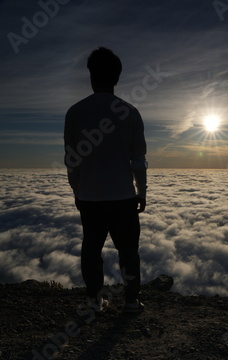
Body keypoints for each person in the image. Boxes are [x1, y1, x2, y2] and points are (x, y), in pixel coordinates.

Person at [64, 47, 147, 313]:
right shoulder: (130, 112)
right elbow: (138, 159)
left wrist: (78, 191)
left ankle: (93, 301)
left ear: (91, 75)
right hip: (123, 197)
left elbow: (72, 161)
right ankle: (132, 302)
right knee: (128, 252)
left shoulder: (75, 113)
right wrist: (141, 191)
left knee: (91, 250)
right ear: (117, 78)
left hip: (90, 198)